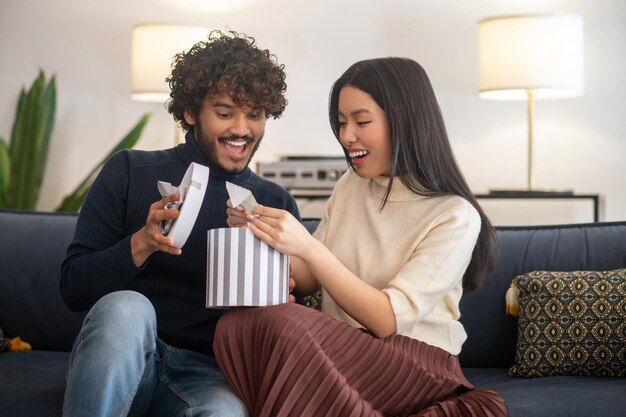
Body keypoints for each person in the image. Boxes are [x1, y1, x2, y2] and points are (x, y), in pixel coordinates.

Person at [217, 57, 507, 416]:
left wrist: (307, 245)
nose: (346, 136)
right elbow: (307, 277)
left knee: (283, 325)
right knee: (234, 326)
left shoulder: (455, 215)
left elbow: (388, 320)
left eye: (362, 121)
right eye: (341, 123)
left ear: (404, 120)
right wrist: (260, 230)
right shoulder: (351, 186)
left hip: (415, 362)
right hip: (345, 352)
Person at [60, 31, 299, 417]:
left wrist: (279, 301)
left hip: (206, 376)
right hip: (124, 356)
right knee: (128, 307)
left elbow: (287, 332)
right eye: (225, 113)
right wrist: (142, 243)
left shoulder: (275, 205)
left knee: (226, 413)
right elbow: (72, 288)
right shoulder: (129, 171)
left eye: (255, 114)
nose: (242, 129)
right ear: (190, 113)